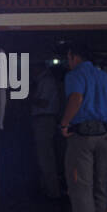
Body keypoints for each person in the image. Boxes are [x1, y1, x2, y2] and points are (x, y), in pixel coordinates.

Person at [58, 41, 107, 212]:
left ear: (74, 56)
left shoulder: (76, 75)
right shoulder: (105, 77)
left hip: (82, 136)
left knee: (81, 186)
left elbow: (76, 98)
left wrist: (65, 123)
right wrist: (105, 122)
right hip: (104, 135)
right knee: (101, 185)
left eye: (68, 58)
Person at [30, 58, 63, 200]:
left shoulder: (46, 81)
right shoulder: (43, 81)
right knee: (44, 156)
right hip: (44, 119)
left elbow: (44, 102)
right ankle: (48, 189)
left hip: (45, 119)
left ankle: (52, 192)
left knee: (46, 157)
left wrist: (28, 97)